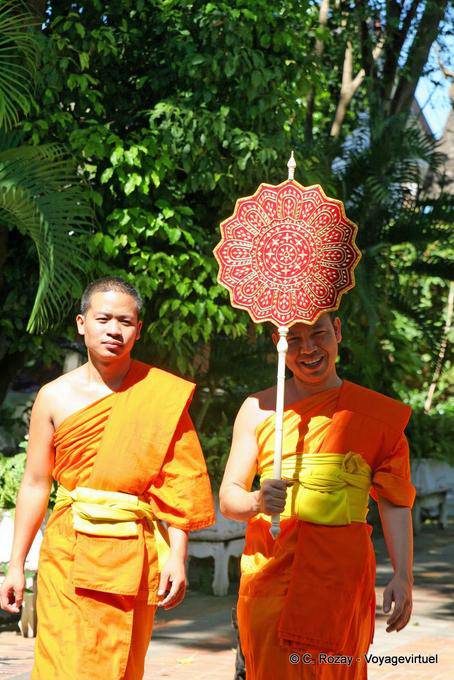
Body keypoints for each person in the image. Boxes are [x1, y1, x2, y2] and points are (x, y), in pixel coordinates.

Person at [0, 276, 216, 680]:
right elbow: (34, 483)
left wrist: (179, 557)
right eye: (103, 319)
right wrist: (16, 565)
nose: (113, 330)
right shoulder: (54, 395)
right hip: (69, 550)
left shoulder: (160, 394)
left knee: (121, 666)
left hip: (134, 555)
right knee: (63, 664)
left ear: (138, 329)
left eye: (125, 321)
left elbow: (180, 485)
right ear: (82, 323)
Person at [220, 312, 415, 680]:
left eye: (319, 334)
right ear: (278, 345)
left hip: (341, 584)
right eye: (293, 339)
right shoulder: (258, 410)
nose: (308, 349)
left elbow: (395, 502)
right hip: (272, 581)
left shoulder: (377, 415)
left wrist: (403, 576)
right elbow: (229, 499)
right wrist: (257, 502)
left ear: (338, 331)